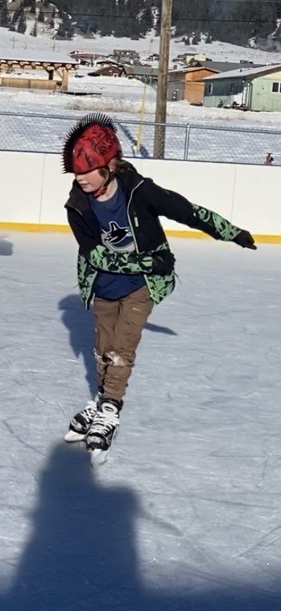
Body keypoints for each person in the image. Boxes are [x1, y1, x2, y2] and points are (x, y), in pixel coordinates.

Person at [62, 112, 256, 455]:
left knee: (122, 349)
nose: (81, 180)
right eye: (77, 174)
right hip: (103, 287)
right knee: (102, 350)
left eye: (86, 172)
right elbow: (95, 256)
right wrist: (149, 260)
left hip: (141, 288)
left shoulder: (141, 192)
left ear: (108, 165)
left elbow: (188, 211)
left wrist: (231, 232)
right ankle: (102, 399)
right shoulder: (77, 205)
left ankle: (111, 407)